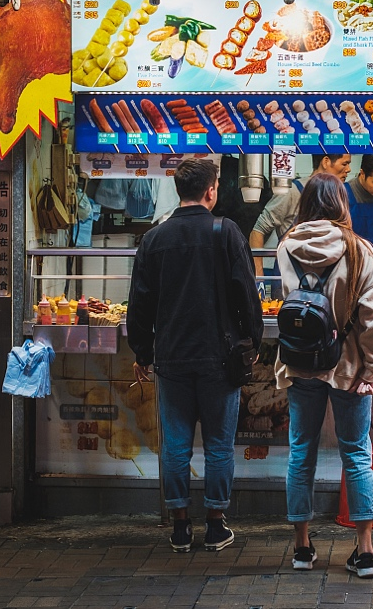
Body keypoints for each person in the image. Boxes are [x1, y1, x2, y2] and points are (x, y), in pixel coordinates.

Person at [127, 159, 263, 554]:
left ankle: (181, 528)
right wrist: (251, 342)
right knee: (219, 444)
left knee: (176, 445)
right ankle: (216, 525)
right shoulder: (226, 231)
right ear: (211, 191)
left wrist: (142, 352)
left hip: (171, 359)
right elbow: (247, 295)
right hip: (220, 358)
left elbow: (140, 304)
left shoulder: (153, 239)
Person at [275, 172, 373, 578]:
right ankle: (365, 553)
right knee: (357, 454)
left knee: (300, 453)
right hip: (350, 366)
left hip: (301, 362)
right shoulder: (359, 250)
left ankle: (302, 549)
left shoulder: (286, 246)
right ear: (341, 203)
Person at [250, 153, 352, 282]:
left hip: (327, 279)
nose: (348, 169)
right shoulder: (292, 191)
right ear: (325, 162)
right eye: (344, 163)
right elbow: (258, 231)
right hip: (291, 279)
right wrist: (259, 276)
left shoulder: (338, 196)